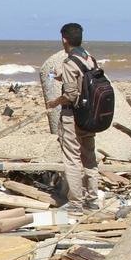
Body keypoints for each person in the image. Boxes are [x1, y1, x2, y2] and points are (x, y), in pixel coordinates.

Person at [44, 23, 99, 213]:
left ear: (64, 39)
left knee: (72, 159)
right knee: (90, 158)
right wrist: (59, 76)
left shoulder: (69, 63)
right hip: (90, 115)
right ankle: (92, 200)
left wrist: (54, 103)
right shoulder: (89, 59)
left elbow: (70, 94)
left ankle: (75, 203)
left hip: (73, 116)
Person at [39, 48, 67, 135]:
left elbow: (70, 94)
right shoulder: (87, 60)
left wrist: (54, 103)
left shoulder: (72, 62)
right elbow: (71, 78)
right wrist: (56, 77)